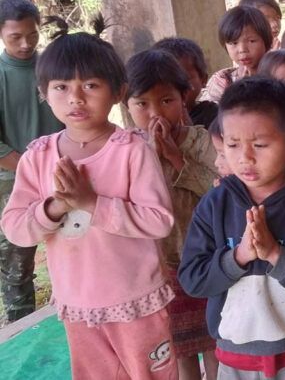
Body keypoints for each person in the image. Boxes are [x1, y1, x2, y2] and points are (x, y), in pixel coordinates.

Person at [1, 19, 177, 379]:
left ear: (118, 92)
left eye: (91, 85)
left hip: (135, 301)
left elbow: (159, 219)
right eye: (61, 87)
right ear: (43, 92)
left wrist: (91, 203)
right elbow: (16, 228)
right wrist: (56, 207)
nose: (76, 98)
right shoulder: (37, 156)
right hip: (79, 304)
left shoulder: (132, 150)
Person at [178, 76, 285, 379]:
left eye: (260, 144)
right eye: (233, 145)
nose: (245, 157)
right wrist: (238, 257)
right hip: (234, 354)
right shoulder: (214, 206)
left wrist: (276, 254)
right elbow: (192, 280)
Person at [124, 49, 220, 380]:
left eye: (166, 100)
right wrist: (150, 156)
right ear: (126, 105)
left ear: (184, 97)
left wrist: (176, 159)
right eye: (142, 104)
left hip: (207, 260)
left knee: (215, 343)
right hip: (159, 269)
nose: (155, 113)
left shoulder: (202, 140)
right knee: (179, 351)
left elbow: (219, 192)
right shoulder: (127, 150)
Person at [0, 0, 63, 323]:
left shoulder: (53, 68)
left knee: (73, 246)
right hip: (14, 183)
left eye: (32, 34)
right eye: (15, 37)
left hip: (65, 177)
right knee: (17, 261)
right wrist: (32, 170)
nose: (26, 44)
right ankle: (21, 323)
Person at [198, 6, 273, 104]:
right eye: (234, 43)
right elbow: (209, 114)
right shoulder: (223, 80)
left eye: (251, 41)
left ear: (266, 41)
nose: (242, 50)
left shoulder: (278, 75)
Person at [153, 37, 218, 129]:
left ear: (203, 79)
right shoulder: (153, 117)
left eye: (183, 78)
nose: (174, 87)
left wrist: (189, 134)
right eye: (164, 80)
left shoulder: (215, 116)